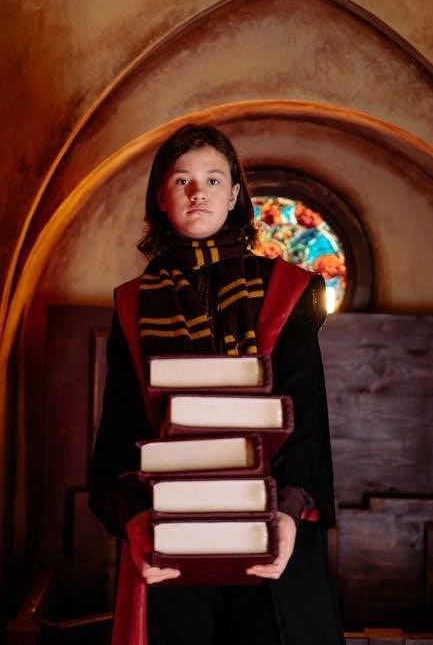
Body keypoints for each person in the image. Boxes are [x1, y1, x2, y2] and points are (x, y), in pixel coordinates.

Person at [89, 124, 345, 644]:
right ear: (160, 198)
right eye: (181, 180)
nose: (197, 192)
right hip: (170, 525)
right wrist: (134, 518)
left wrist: (290, 513)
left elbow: (305, 413)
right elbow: (122, 425)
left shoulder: (288, 289)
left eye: (212, 179)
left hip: (271, 519)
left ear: (233, 196)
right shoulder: (133, 303)